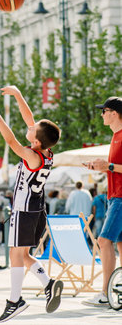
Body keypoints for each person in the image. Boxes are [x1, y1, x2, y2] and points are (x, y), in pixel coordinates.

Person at [0, 85, 62, 322]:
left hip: (24, 209)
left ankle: (14, 300)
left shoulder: (32, 155)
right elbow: (29, 118)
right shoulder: (46, 153)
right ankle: (48, 284)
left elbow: (11, 141)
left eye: (34, 129)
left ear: (37, 141)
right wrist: (18, 95)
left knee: (15, 255)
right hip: (37, 210)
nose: (31, 126)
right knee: (22, 254)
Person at [83, 96, 122, 307]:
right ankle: (116, 291)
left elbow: (114, 167)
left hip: (120, 197)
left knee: (103, 241)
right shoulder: (115, 136)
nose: (101, 115)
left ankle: (106, 293)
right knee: (119, 244)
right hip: (115, 196)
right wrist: (100, 166)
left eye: (104, 111)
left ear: (114, 113)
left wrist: (107, 166)